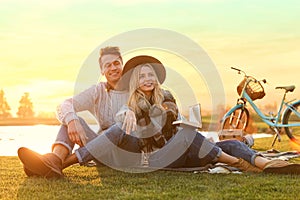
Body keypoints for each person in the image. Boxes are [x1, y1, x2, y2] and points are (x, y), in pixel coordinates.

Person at [19, 55, 300, 178]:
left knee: (212, 140)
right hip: (137, 153)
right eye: (141, 76)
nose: (147, 78)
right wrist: (128, 114)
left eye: (150, 74)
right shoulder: (127, 103)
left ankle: (264, 164)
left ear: (156, 79)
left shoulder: (166, 97)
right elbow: (127, 115)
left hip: (172, 150)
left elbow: (168, 115)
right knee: (74, 119)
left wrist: (164, 116)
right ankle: (56, 162)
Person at [18, 46, 138, 178]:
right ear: (102, 71)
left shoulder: (136, 88)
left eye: (116, 63)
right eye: (107, 65)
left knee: (120, 127)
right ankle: (54, 160)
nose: (113, 68)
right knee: (71, 118)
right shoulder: (98, 91)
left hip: (129, 154)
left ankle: (59, 164)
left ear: (122, 65)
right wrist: (72, 120)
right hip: (103, 152)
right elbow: (64, 105)